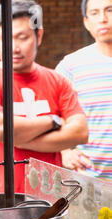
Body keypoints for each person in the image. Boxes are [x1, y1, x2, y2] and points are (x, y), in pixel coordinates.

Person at [0, 0, 89, 195]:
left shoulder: (58, 81)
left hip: (49, 199)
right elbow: (0, 129)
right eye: (4, 38)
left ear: (38, 35)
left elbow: (80, 132)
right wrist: (53, 121)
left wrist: (19, 139)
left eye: (22, 37)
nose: (13, 47)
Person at [56, 0, 112, 181]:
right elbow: (51, 114)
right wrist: (64, 152)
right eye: (94, 13)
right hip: (90, 180)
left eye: (109, 10)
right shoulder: (71, 66)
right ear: (86, 22)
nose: (103, 19)